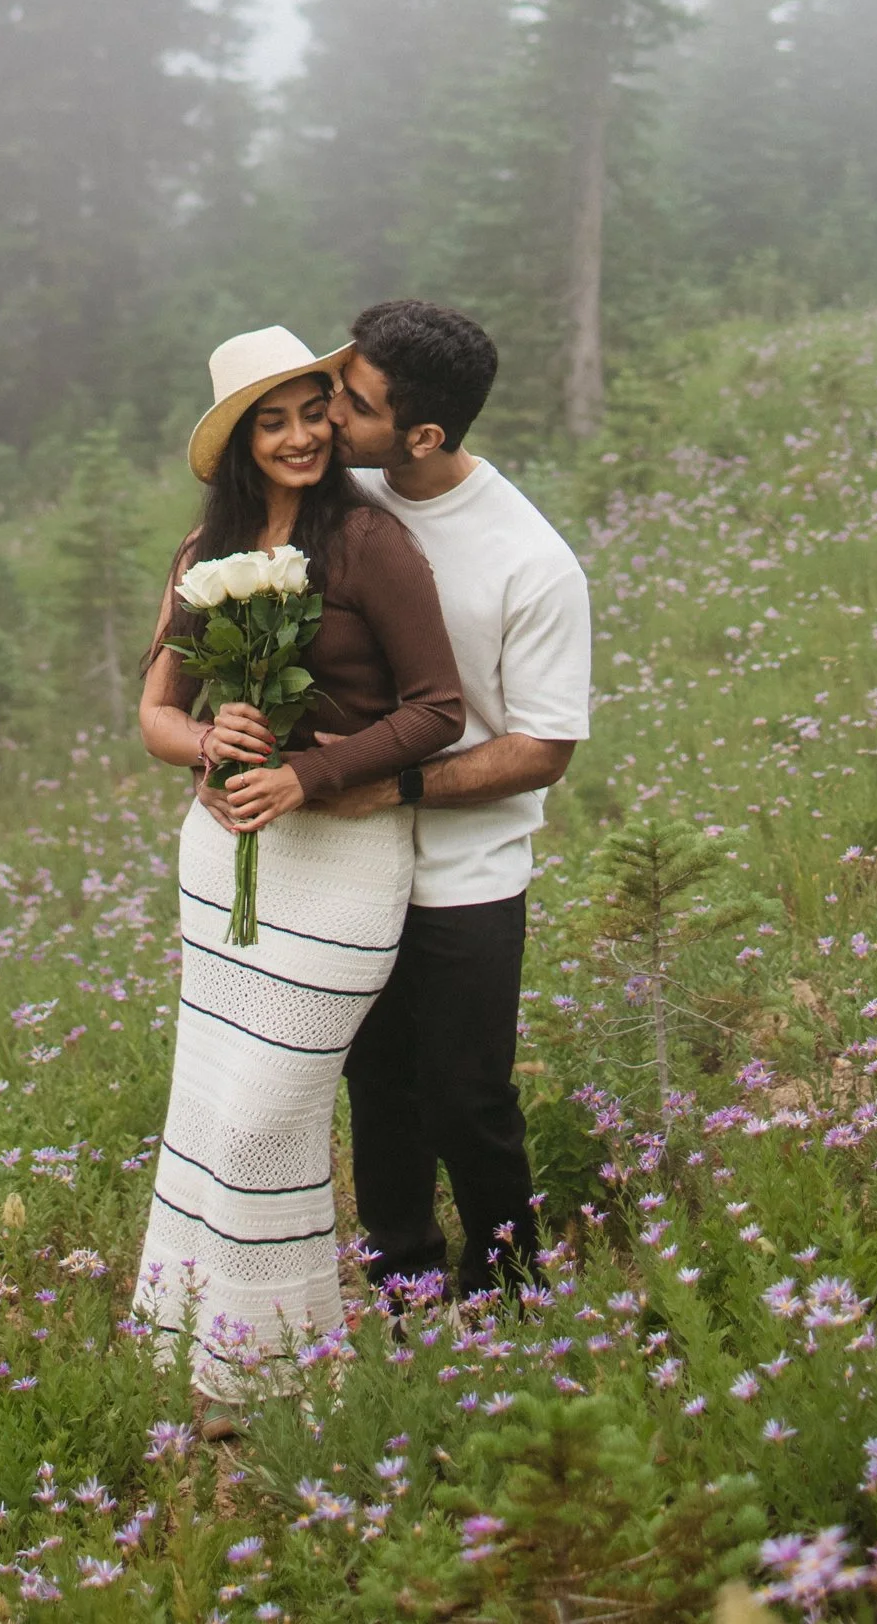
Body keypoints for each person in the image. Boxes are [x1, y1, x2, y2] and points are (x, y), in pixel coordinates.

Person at [134, 325, 464, 1420]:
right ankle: (198, 1352)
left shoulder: (367, 544)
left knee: (265, 1118)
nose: (298, 437)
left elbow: (435, 711)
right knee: (207, 1106)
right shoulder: (203, 551)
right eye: (269, 422)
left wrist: (309, 774)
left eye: (311, 411)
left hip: (343, 865)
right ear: (238, 442)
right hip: (225, 855)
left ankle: (281, 1379)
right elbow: (152, 716)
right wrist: (213, 744)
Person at [319, 297, 592, 1303]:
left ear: (423, 433)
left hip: (467, 869)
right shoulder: (339, 495)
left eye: (349, 399)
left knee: (466, 1098)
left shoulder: (531, 561)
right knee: (375, 1086)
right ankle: (402, 1286)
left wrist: (388, 786)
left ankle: (511, 1287)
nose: (325, 410)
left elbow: (541, 748)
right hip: (349, 857)